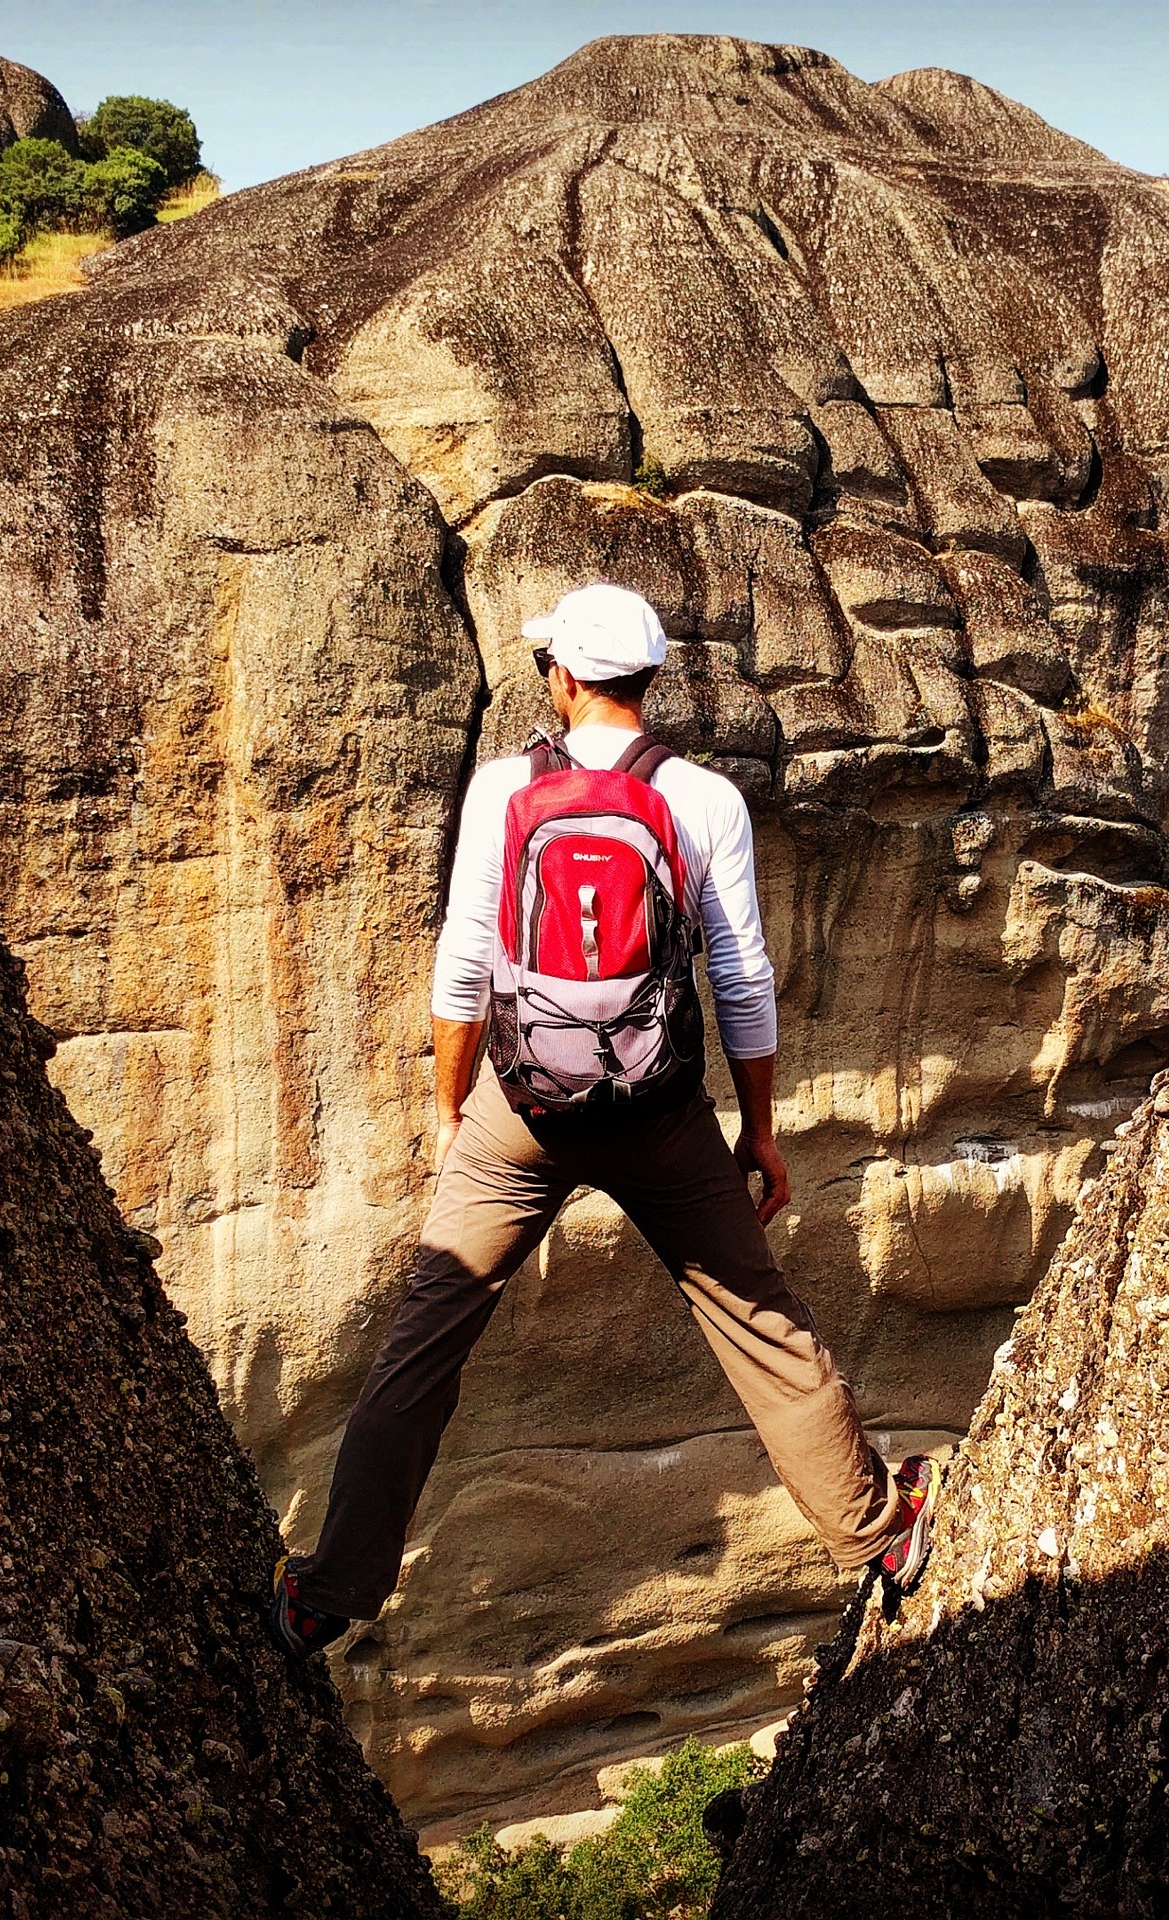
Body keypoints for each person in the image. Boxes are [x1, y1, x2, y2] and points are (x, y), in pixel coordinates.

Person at [266, 582, 939, 1661]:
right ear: (649, 679)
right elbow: (741, 978)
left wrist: (454, 1110)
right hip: (660, 1112)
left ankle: (327, 1593)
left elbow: (465, 963)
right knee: (761, 1324)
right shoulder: (703, 800)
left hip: (520, 1107)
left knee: (421, 1347)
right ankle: (877, 1535)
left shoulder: (500, 790)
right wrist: (756, 1129)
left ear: (563, 677)